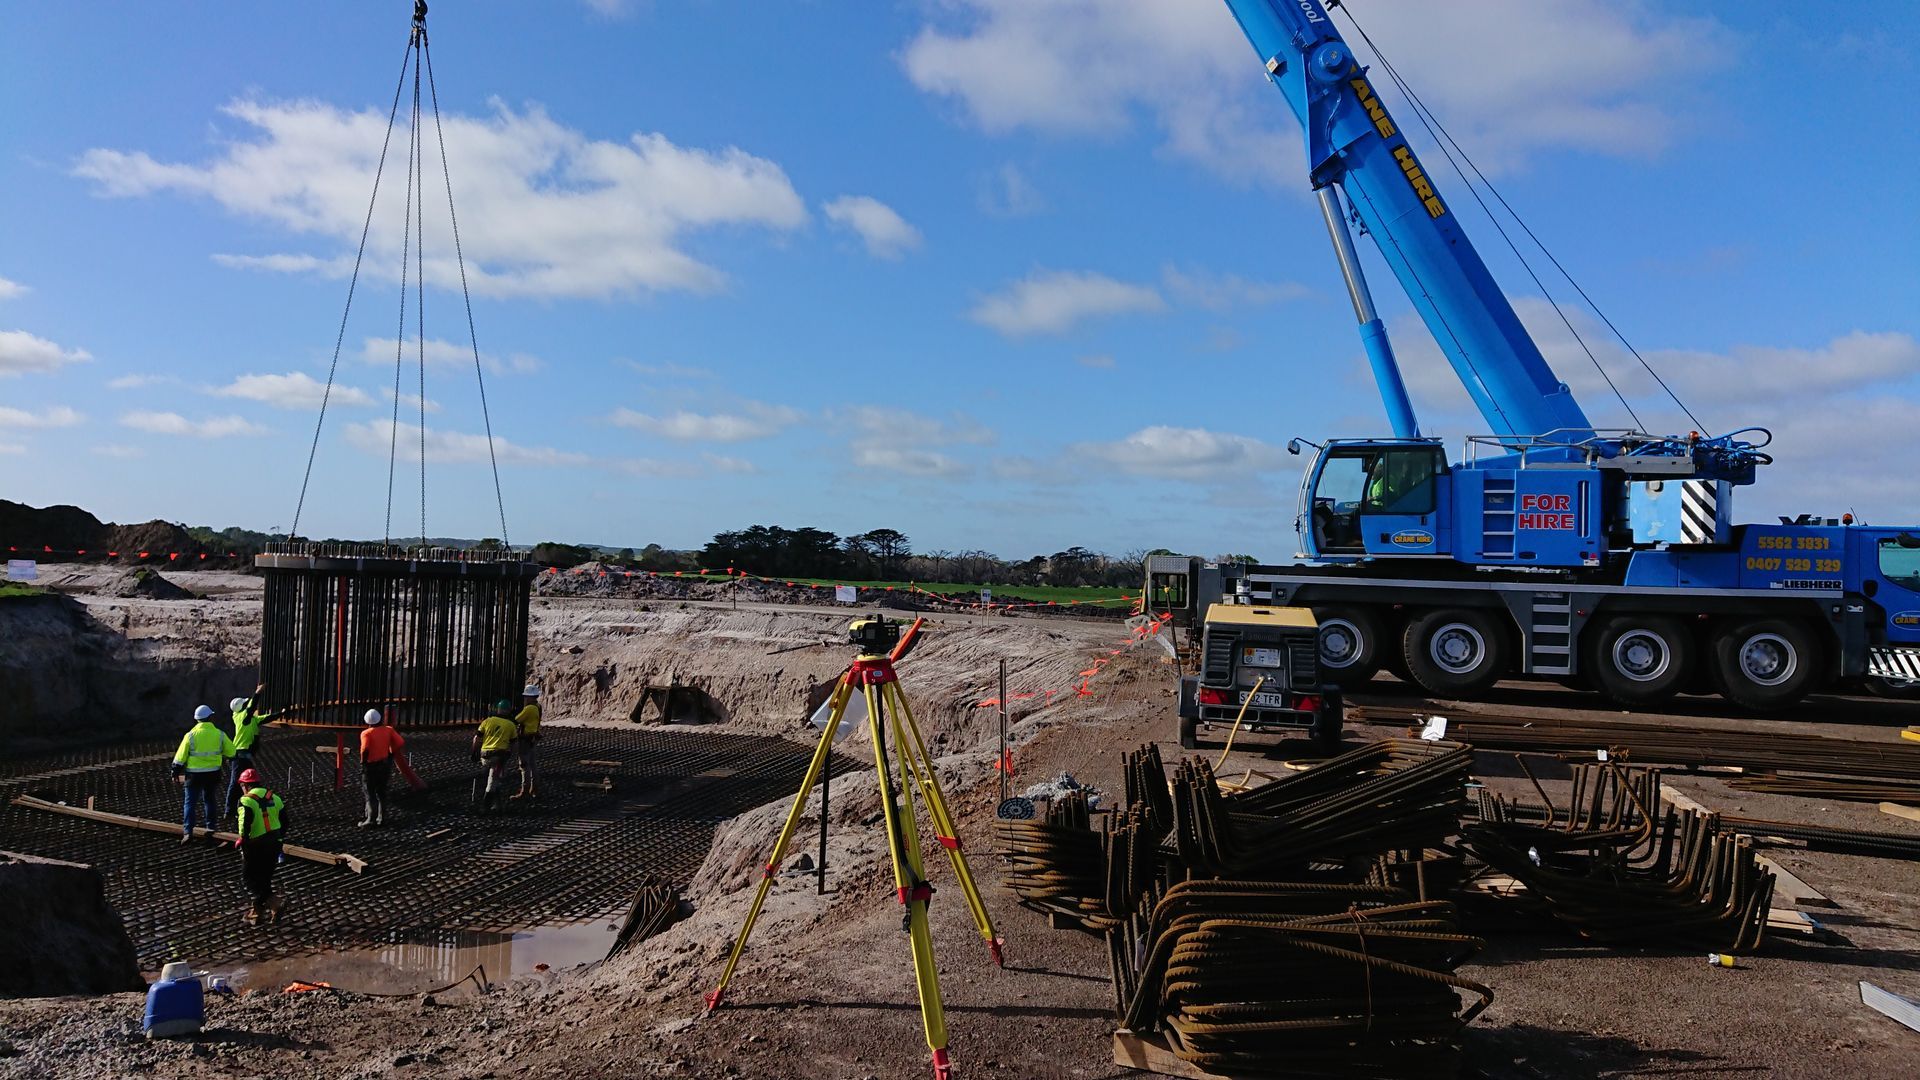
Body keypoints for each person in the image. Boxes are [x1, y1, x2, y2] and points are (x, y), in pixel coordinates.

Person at [171, 705, 234, 844]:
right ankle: (210, 828)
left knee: (190, 804)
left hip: (194, 776)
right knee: (209, 801)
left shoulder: (190, 736)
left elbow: (180, 757)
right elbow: (232, 752)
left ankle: (188, 832)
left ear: (196, 719)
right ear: (210, 717)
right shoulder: (220, 734)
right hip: (213, 774)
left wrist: (175, 772)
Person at [233, 768, 288, 925]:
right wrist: (279, 837)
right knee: (264, 879)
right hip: (274, 844)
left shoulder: (245, 800)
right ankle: (257, 913)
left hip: (255, 844)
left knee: (249, 878)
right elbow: (285, 821)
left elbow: (244, 822)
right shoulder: (275, 797)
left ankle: (275, 902)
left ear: (245, 785)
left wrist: (242, 839)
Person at [225, 685, 275, 820]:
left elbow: (265, 718)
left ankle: (242, 807)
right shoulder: (242, 717)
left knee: (248, 782)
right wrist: (257, 693)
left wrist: (281, 713)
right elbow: (252, 707)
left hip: (244, 756)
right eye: (245, 704)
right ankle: (230, 810)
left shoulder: (249, 719)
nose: (247, 705)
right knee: (236, 782)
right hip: (239, 755)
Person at [358, 707, 406, 827]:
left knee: (370, 793)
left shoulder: (366, 733)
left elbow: (364, 749)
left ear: (368, 722)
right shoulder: (388, 730)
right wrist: (390, 753)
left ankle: (370, 819)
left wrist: (363, 762)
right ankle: (382, 818)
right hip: (384, 765)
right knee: (381, 792)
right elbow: (400, 742)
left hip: (371, 766)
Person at [471, 699, 519, 813]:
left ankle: (498, 805)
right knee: (493, 780)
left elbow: (477, 739)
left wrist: (474, 752)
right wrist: (513, 755)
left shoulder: (487, 721)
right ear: (508, 711)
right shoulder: (511, 725)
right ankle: (485, 806)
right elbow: (515, 744)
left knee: (493, 779)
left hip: (485, 755)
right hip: (499, 757)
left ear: (497, 709)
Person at [512, 684, 542, 801]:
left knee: (524, 765)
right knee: (533, 764)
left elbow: (517, 719)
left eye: (526, 697)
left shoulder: (529, 708)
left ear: (529, 697)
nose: (525, 699)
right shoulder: (538, 706)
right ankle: (535, 789)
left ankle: (524, 790)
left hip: (525, 739)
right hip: (533, 738)